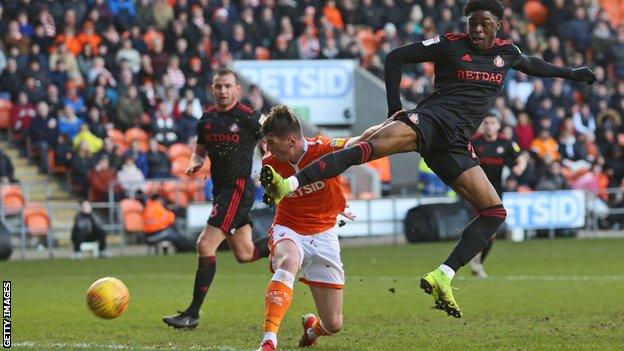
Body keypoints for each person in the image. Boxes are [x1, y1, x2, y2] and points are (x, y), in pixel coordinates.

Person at [261, 0, 596, 318]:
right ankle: (287, 183)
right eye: (472, 24)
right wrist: (395, 110)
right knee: (364, 150)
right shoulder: (450, 44)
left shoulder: (506, 53)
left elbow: (534, 65)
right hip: (430, 122)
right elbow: (394, 57)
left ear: (498, 25)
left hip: (455, 144)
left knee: (494, 212)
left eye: (484, 24)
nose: (477, 30)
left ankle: (443, 275)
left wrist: (571, 73)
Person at [255, 106, 374, 351]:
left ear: (291, 141)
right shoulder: (271, 163)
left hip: (324, 233)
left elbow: (360, 139)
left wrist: (394, 124)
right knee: (287, 262)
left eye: (271, 142)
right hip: (290, 228)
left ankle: (312, 329)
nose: (268, 149)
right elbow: (274, 194)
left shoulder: (322, 148)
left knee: (333, 324)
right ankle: (269, 341)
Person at [162, 68, 271, 329]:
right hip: (220, 191)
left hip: (237, 191)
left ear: (237, 90)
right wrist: (194, 163)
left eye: (227, 86)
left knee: (205, 245)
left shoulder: (249, 117)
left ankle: (192, 314)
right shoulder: (207, 119)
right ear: (213, 89)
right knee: (246, 253)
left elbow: (271, 136)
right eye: (218, 86)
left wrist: (270, 156)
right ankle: (293, 240)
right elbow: (199, 152)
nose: (222, 91)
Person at [470, 114, 526, 278]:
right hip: (476, 189)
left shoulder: (505, 142)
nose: (489, 125)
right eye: (486, 122)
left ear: (498, 125)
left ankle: (478, 261)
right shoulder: (474, 142)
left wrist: (520, 168)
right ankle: (473, 259)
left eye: (492, 122)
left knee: (491, 232)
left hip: (496, 191)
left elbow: (520, 157)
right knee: (481, 225)